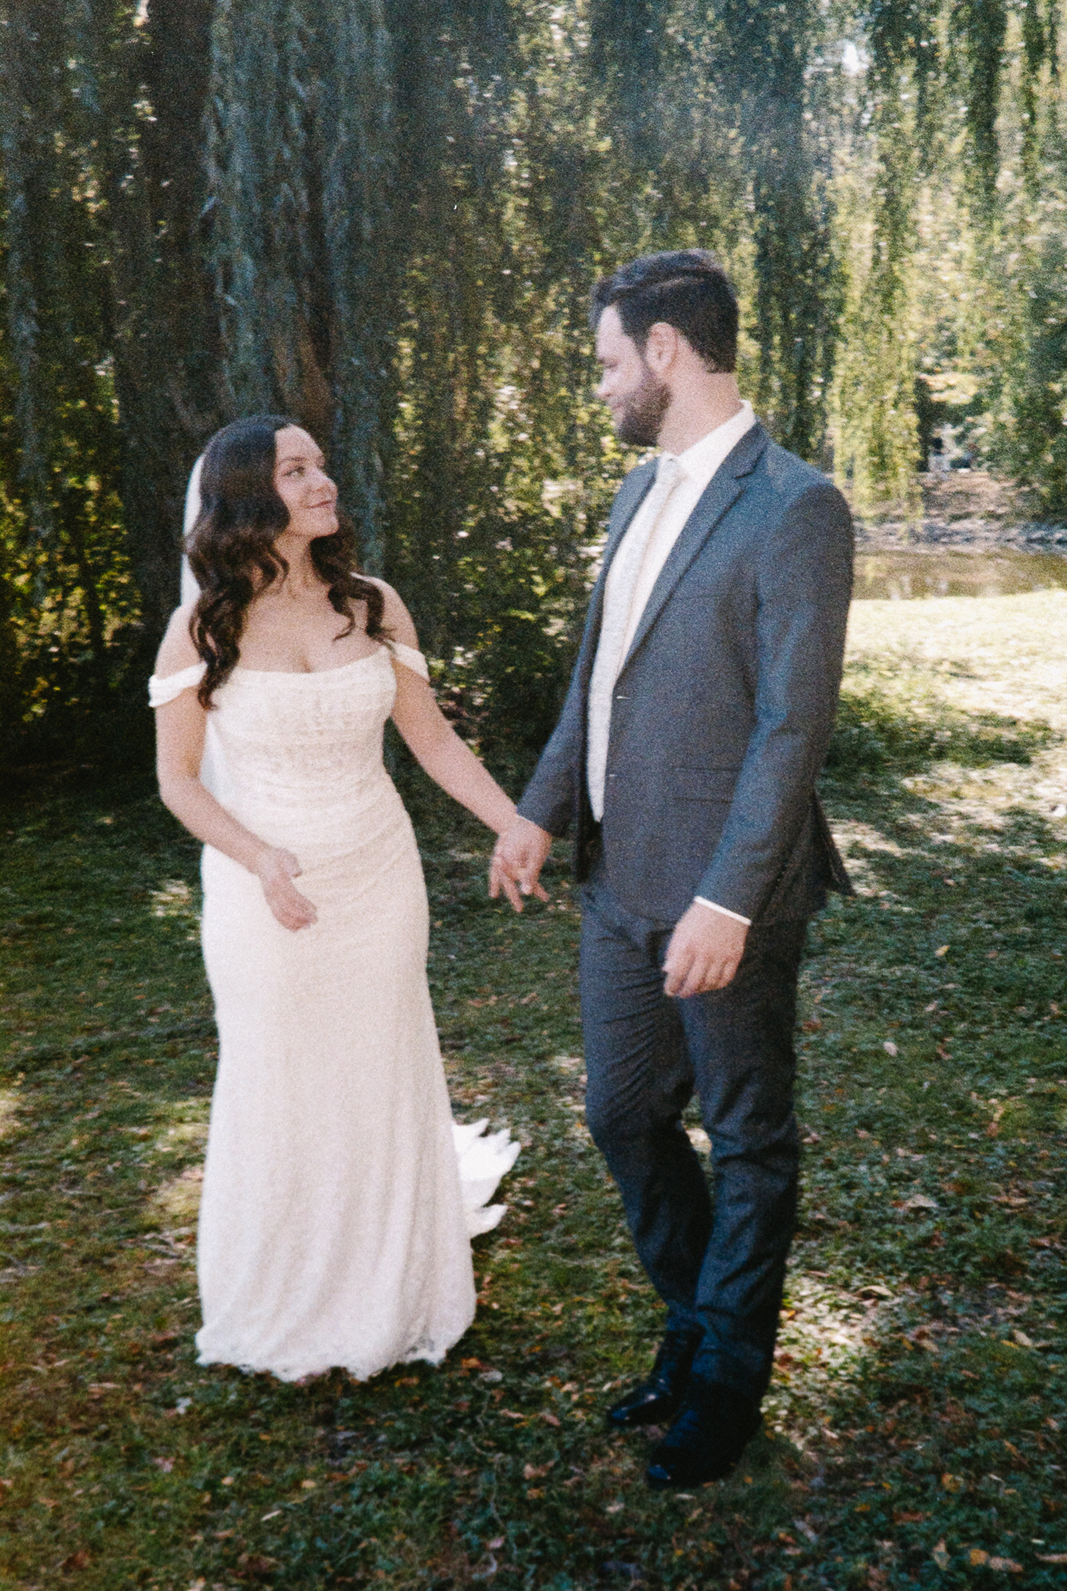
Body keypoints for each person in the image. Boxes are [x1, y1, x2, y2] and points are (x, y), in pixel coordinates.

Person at [491, 251, 853, 1488]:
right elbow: (597, 679)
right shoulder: (634, 495)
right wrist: (539, 810)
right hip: (612, 883)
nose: (598, 389)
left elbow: (790, 731)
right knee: (618, 1111)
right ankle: (697, 1323)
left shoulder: (794, 504)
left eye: (604, 363)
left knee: (746, 1138)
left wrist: (728, 898)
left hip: (719, 898)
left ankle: (724, 1382)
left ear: (662, 353)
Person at [150, 414, 531, 1382]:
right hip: (260, 888)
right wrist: (257, 855)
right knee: (281, 1076)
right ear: (247, 496)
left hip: (375, 876)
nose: (323, 481)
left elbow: (433, 739)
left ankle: (395, 1287)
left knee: (378, 1065)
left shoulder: (372, 605)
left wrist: (510, 821)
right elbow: (181, 781)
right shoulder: (204, 627)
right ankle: (288, 1294)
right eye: (295, 468)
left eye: (320, 462)